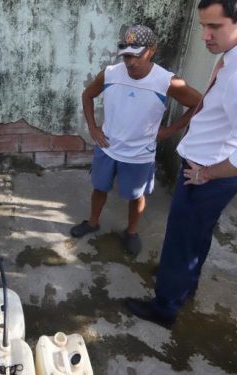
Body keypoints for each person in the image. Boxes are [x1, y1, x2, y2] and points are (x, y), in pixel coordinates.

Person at [126, 0, 237, 328]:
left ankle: (165, 307)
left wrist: (206, 173)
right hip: (212, 168)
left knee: (181, 241)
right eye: (203, 26)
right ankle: (184, 284)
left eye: (214, 27)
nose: (205, 36)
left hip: (206, 173)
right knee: (196, 236)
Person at [70, 24, 202, 257]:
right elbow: (87, 95)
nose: (130, 62)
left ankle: (131, 232)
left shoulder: (166, 81)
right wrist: (92, 127)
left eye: (137, 55)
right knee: (99, 188)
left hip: (140, 154)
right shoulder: (110, 73)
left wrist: (169, 131)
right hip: (108, 148)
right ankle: (92, 222)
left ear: (152, 50)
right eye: (127, 55)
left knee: (136, 195)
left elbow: (198, 103)